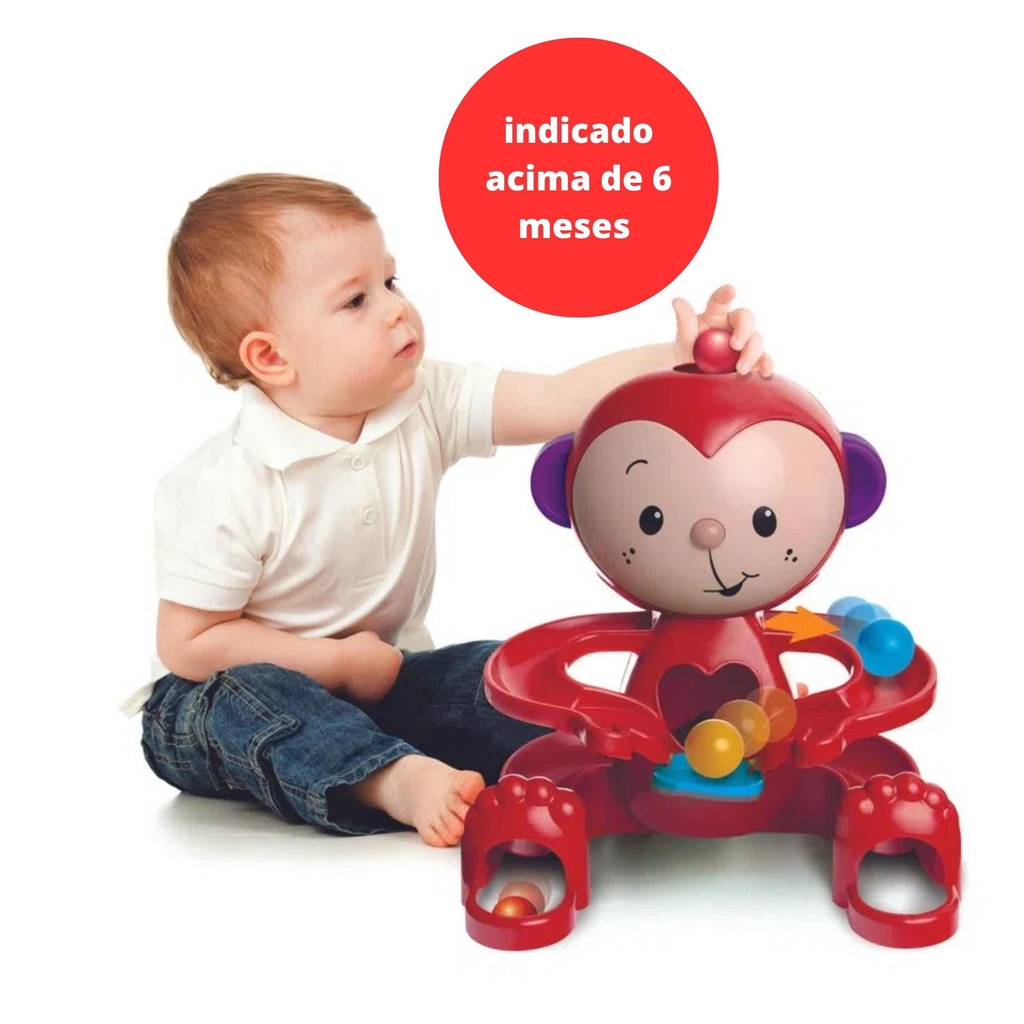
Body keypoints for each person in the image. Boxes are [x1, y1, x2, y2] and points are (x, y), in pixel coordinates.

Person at [126, 172, 771, 847]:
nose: (396, 309)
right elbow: (189, 643)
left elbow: (555, 398)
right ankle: (390, 780)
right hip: (214, 705)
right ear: (270, 356)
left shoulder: (423, 400)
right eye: (356, 300)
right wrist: (337, 664)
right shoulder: (227, 483)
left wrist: (679, 357)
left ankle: (622, 752)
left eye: (391, 281)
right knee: (251, 698)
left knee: (499, 673)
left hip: (385, 679)